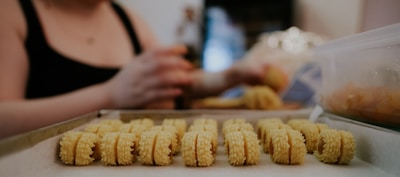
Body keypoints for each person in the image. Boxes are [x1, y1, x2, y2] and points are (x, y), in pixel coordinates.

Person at [0, 0, 272, 139]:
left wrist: (229, 77)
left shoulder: (127, 19)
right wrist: (108, 97)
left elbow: (167, 80)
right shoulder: (12, 12)